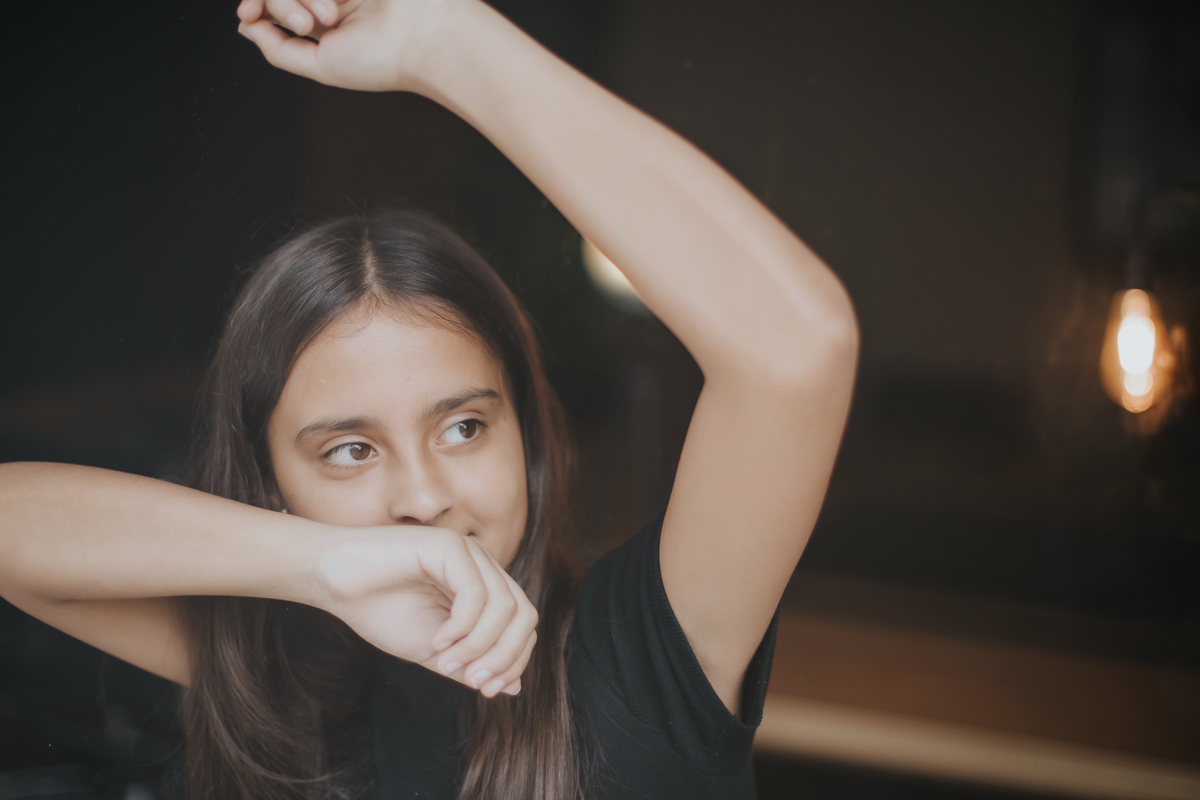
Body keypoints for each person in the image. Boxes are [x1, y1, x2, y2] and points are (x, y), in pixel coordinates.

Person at [0, 0, 859, 798]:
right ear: (273, 484)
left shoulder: (636, 665)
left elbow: (796, 351)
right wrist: (324, 568)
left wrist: (447, 41)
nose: (422, 497)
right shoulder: (286, 687)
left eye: (463, 427)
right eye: (350, 450)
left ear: (526, 440)